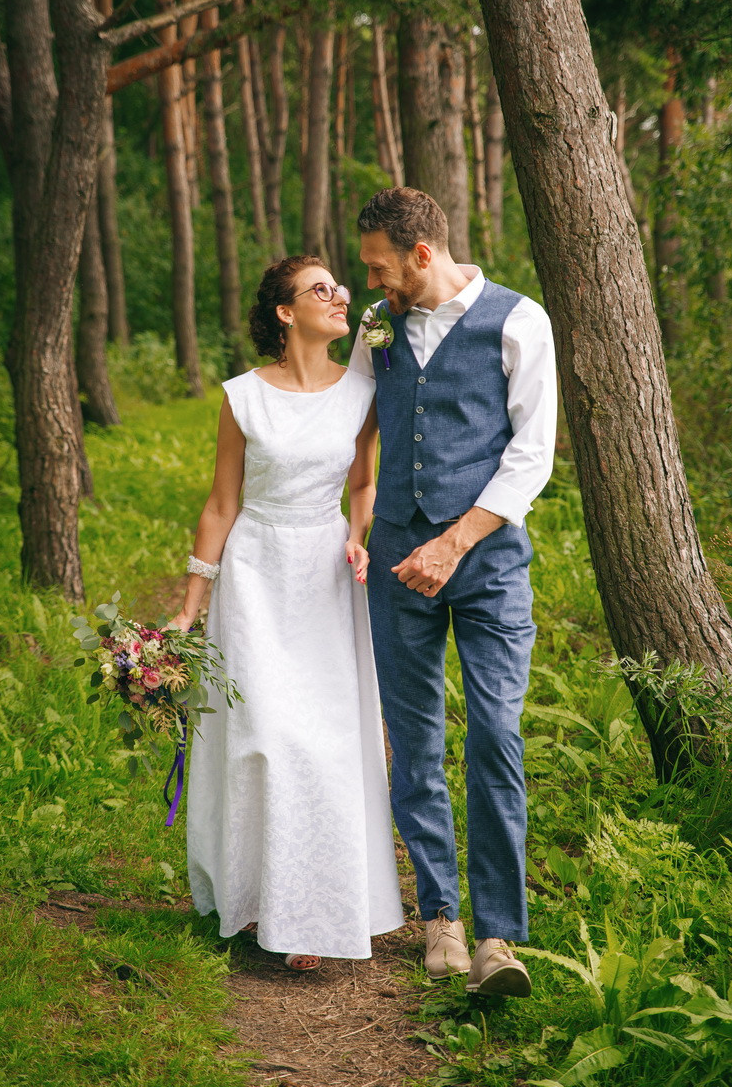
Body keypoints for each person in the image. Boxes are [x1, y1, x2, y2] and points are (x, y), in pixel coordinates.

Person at [348, 187, 557, 995]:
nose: (373, 280)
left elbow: (531, 454)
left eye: (378, 265)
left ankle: (498, 938)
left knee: (495, 737)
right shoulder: (377, 325)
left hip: (488, 565)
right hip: (398, 560)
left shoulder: (517, 320)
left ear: (421, 255)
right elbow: (350, 427)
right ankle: (439, 915)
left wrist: (456, 542)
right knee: (416, 740)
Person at [170, 254, 405, 972]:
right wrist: (188, 609)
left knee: (325, 743)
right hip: (254, 574)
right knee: (262, 736)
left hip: (327, 576)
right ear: (284, 312)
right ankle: (253, 897)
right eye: (320, 290)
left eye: (338, 287)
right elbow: (221, 504)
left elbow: (361, 484)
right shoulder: (242, 396)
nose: (339, 298)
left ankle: (314, 913)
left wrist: (359, 537)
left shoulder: (361, 391)